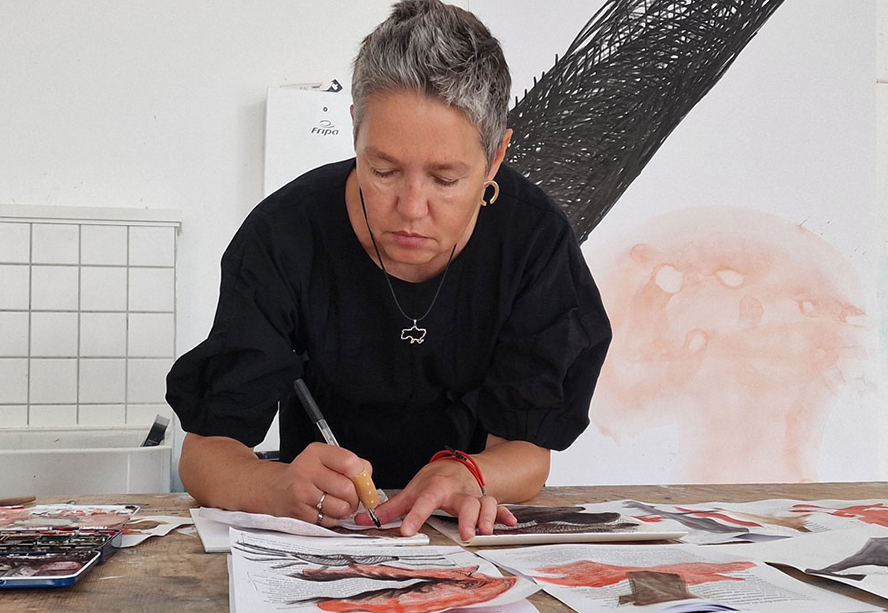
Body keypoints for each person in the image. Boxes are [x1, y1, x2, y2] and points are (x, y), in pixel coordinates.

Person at [166, 0, 611, 541]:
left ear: (496, 156)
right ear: (354, 129)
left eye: (446, 179)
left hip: (460, 533)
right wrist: (274, 485)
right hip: (326, 532)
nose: (411, 209)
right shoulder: (284, 235)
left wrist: (468, 473)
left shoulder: (533, 241)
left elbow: (528, 455)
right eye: (383, 170)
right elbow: (204, 454)